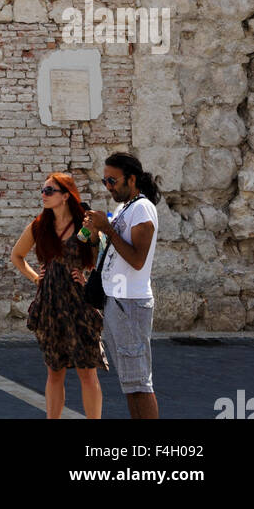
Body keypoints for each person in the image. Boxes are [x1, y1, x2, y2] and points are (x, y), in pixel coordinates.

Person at [12, 171, 105, 420]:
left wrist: (88, 277)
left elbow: (99, 258)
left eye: (49, 191)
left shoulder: (83, 225)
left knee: (87, 371)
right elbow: (17, 255)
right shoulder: (39, 226)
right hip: (50, 304)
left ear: (65, 196)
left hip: (79, 303)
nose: (44, 195)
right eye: (42, 191)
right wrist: (35, 278)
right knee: (55, 371)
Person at [83, 151, 161, 421]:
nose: (108, 187)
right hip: (115, 302)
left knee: (140, 382)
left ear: (132, 178)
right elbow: (105, 258)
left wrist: (109, 229)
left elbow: (138, 260)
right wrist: (96, 234)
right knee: (130, 383)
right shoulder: (122, 209)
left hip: (130, 304)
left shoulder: (142, 208)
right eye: (105, 181)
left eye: (113, 181)